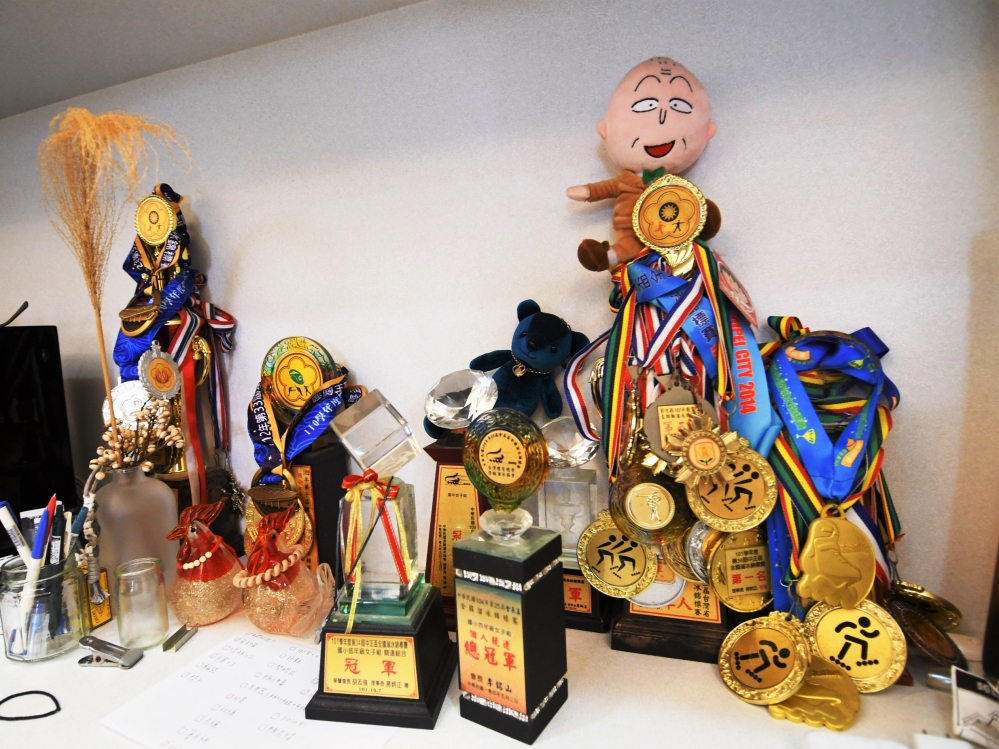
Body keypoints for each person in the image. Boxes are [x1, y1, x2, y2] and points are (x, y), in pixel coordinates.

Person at [567, 57, 720, 272]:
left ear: (707, 133)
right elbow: (607, 188)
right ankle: (607, 257)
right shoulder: (626, 180)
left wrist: (701, 215)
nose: (662, 117)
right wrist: (588, 191)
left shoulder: (675, 185)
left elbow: (689, 202)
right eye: (647, 105)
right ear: (605, 130)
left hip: (670, 233)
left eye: (678, 105)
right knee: (629, 249)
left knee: (683, 257)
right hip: (630, 231)